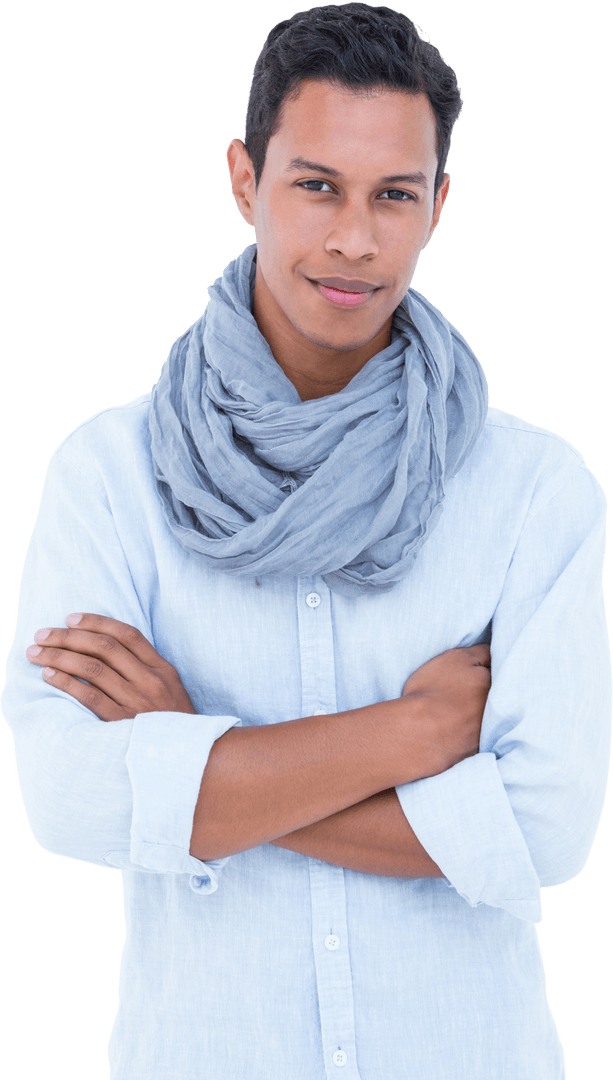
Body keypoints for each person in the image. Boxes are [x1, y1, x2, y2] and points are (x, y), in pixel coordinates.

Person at [1, 3, 610, 1078]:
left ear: (439, 207)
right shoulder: (107, 475)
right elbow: (67, 799)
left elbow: (544, 832)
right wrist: (410, 735)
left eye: (394, 196)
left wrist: (193, 755)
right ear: (245, 180)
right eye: (316, 185)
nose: (352, 239)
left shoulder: (530, 489)